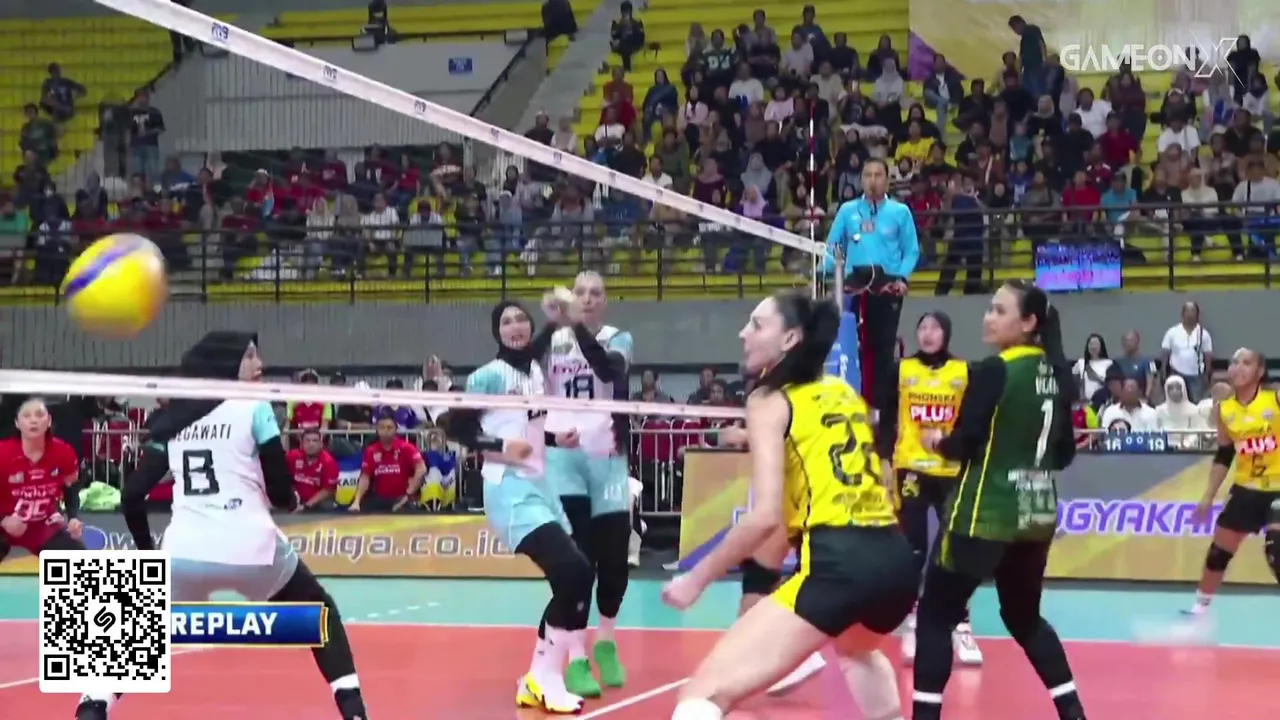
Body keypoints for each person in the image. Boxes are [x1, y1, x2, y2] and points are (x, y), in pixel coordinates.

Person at [81, 332, 367, 720]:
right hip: (251, 547)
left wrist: (150, 559)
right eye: (249, 357)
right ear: (226, 364)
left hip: (184, 551)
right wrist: (290, 500)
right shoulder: (255, 406)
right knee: (321, 613)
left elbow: (131, 496)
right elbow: (281, 491)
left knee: (132, 630)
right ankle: (354, 713)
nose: (260, 364)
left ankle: (93, 705)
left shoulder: (172, 420)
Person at [661, 290, 918, 720]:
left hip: (839, 562)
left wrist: (697, 579)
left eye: (757, 325)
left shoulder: (768, 400)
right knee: (856, 650)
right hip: (895, 562)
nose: (743, 333)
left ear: (789, 339)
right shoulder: (840, 390)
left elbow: (764, 516)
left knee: (701, 696)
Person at [911, 280, 1087, 720]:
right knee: (1024, 619)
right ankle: (1073, 713)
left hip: (984, 514)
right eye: (990, 308)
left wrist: (937, 443)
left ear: (1029, 322)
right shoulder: (1058, 373)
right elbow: (1064, 455)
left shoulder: (995, 369)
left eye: (999, 310)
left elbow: (966, 442)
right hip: (1036, 515)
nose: (988, 317)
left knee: (935, 615)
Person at [436, 300, 594, 714]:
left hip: (543, 486)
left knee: (575, 579)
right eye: (506, 322)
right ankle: (548, 678)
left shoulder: (535, 372)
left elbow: (529, 424)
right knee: (574, 571)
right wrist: (502, 445)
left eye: (521, 318)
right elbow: (457, 428)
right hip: (508, 488)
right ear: (497, 332)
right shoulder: (487, 376)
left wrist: (556, 439)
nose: (516, 326)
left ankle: (536, 679)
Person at [541, 272, 635, 696]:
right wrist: (552, 323)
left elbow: (608, 369)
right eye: (580, 292)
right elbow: (523, 373)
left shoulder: (619, 338)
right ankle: (575, 656)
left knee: (614, 560)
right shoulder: (554, 342)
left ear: (605, 300)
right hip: (564, 458)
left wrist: (577, 325)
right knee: (578, 562)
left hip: (607, 457)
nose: (588, 298)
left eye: (596, 293)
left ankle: (606, 641)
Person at [875, 311, 983, 666]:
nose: (928, 333)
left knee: (955, 549)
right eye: (922, 327)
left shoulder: (964, 372)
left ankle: (960, 624)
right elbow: (887, 419)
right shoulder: (901, 370)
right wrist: (884, 459)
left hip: (951, 470)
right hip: (911, 470)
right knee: (913, 549)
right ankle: (914, 621)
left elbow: (971, 424)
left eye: (935, 327)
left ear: (946, 333)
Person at [1183, 348, 1280, 620]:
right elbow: (1225, 455)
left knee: (1277, 549)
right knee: (1219, 552)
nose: (1238, 367)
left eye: (1246, 363)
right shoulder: (1224, 410)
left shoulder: (1274, 399)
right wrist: (1208, 496)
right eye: (1235, 362)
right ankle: (1199, 611)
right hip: (1246, 488)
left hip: (1278, 487)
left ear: (1260, 372)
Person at [821, 158, 920, 409]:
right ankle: (851, 403)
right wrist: (821, 272)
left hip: (887, 286)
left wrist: (902, 278)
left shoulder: (900, 212)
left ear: (887, 179)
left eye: (878, 175)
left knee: (883, 348)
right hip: (853, 286)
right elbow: (832, 247)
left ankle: (880, 410)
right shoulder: (847, 211)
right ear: (861, 179)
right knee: (850, 344)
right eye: (867, 175)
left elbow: (911, 250)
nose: (872, 180)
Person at [0, 398, 85, 563]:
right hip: (3, 524)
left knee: (83, 563)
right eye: (27, 416)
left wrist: (73, 516)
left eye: (39, 415)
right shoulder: (2, 453)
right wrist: (3, 519)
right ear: (17, 423)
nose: (33, 420)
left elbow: (71, 485)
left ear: (49, 421)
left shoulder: (64, 452)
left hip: (42, 526)